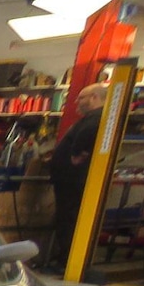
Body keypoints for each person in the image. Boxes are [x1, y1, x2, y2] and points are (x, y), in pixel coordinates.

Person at [47, 82, 109, 271]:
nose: (76, 102)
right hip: (70, 179)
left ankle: (66, 262)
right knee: (68, 218)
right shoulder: (94, 118)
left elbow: (86, 136)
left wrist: (77, 154)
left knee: (68, 219)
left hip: (72, 181)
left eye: (81, 97)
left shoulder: (94, 119)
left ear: (94, 98)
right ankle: (66, 259)